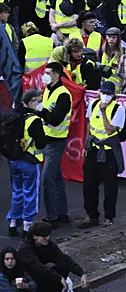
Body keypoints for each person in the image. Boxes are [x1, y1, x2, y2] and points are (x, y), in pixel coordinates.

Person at [79, 81, 126, 229]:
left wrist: (104, 111)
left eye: (108, 94)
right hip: (93, 149)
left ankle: (109, 217)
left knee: (110, 186)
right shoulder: (93, 104)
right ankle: (91, 215)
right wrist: (86, 145)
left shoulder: (118, 110)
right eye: (103, 93)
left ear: (113, 95)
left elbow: (111, 130)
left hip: (108, 151)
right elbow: (89, 125)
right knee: (89, 185)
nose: (105, 96)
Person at [17, 222, 86, 292]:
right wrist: (59, 277)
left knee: (63, 266)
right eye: (44, 236)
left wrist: (81, 273)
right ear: (34, 236)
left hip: (39, 274)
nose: (47, 238)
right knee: (42, 276)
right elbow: (38, 266)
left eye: (48, 235)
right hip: (27, 276)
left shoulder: (48, 245)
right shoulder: (25, 249)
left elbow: (62, 258)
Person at [37, 63, 73, 229]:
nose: (45, 75)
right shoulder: (48, 90)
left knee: (47, 179)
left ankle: (52, 217)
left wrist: (39, 110)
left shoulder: (63, 95)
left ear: (57, 75)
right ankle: (62, 213)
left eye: (49, 73)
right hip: (48, 139)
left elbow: (55, 119)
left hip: (56, 141)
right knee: (56, 178)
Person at [6, 90, 46, 237]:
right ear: (30, 102)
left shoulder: (14, 116)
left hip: (13, 160)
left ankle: (12, 221)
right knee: (30, 193)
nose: (40, 103)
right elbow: (41, 143)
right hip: (29, 161)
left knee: (17, 191)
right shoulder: (33, 120)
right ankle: (27, 224)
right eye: (38, 101)